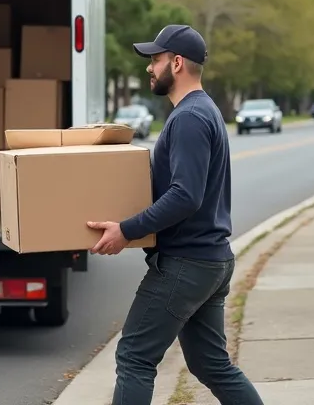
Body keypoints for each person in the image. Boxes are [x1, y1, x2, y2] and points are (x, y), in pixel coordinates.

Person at [87, 25, 264, 405]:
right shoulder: (205, 111)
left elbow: (186, 196)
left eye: (155, 60)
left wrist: (127, 230)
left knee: (134, 356)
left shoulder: (188, 118)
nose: (150, 69)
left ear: (177, 63)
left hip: (187, 263)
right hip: (210, 261)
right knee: (211, 364)